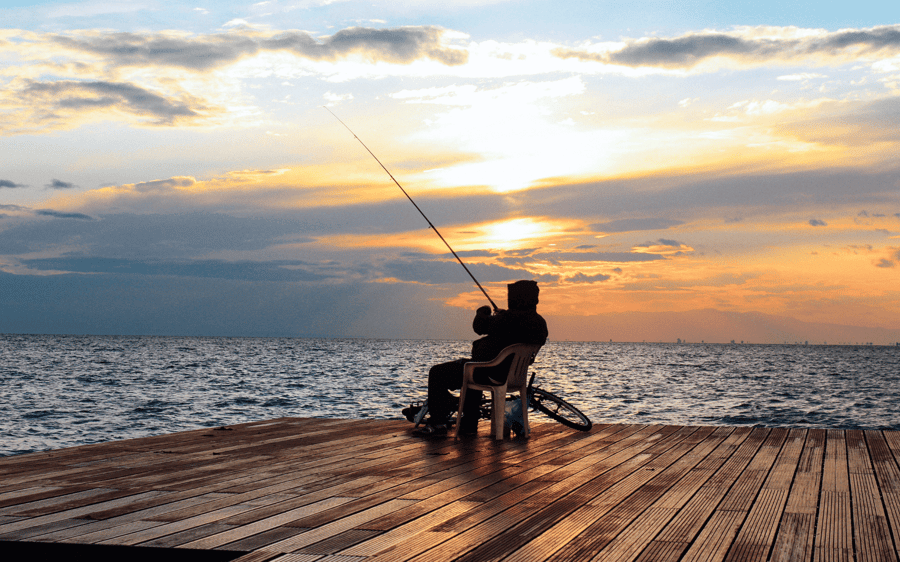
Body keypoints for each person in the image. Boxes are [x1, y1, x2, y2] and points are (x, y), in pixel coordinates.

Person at [413, 280, 548, 437]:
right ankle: (468, 424)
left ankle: (437, 422)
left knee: (437, 372)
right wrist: (503, 315)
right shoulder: (539, 323)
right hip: (511, 376)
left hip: (491, 372)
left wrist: (483, 311)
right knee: (474, 366)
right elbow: (514, 327)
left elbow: (479, 326)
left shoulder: (507, 320)